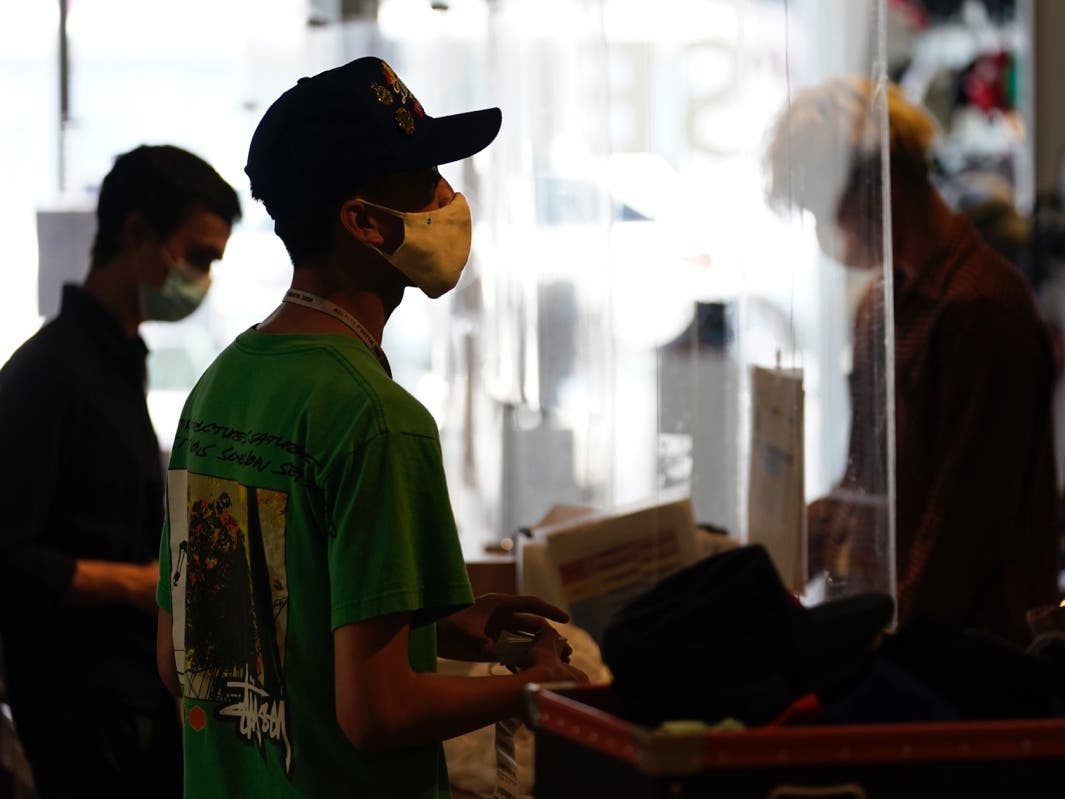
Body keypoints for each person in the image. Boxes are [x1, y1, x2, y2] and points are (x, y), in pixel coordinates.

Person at [155, 56, 588, 798]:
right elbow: (379, 712)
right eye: (425, 182)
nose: (450, 199)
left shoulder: (219, 387)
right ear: (361, 220)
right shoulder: (378, 420)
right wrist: (535, 688)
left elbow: (185, 653)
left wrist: (444, 624)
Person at [764, 77, 1060, 647]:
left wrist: (889, 645)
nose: (825, 230)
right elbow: (866, 478)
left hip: (971, 655)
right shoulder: (882, 304)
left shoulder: (979, 307)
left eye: (823, 205)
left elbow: (963, 525)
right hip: (904, 634)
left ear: (877, 183)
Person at [0, 144, 241, 797]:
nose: (204, 281)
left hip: (134, 701)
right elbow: (10, 559)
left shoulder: (118, 363)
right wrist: (142, 582)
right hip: (80, 714)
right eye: (198, 257)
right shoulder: (47, 375)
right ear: (136, 233)